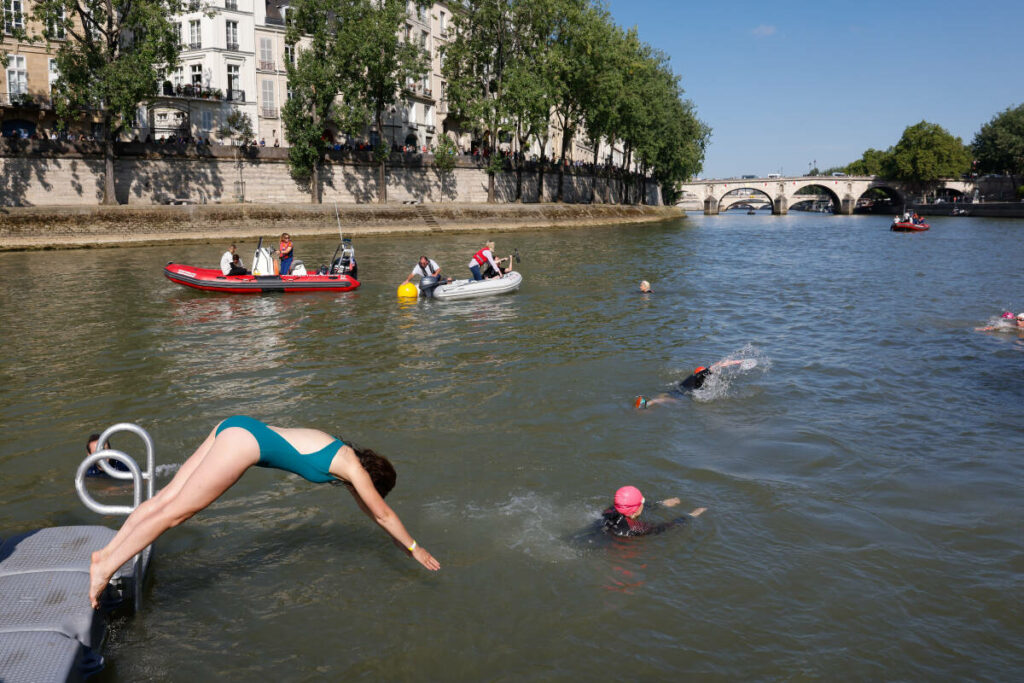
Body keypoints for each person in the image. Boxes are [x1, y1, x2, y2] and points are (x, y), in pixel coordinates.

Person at [88, 416, 440, 608]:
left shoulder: (344, 454)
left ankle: (105, 554)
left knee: (163, 501)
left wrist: (396, 541)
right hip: (244, 445)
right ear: (373, 480)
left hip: (236, 425)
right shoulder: (354, 472)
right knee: (174, 514)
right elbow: (381, 513)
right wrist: (414, 548)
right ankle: (106, 567)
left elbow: (369, 509)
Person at [635, 359, 747, 408]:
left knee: (663, 395)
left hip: (677, 388)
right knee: (672, 401)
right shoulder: (702, 376)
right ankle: (647, 404)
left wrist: (734, 362)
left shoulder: (693, 376)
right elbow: (717, 365)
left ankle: (645, 403)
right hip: (681, 393)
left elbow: (716, 364)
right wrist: (737, 362)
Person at [601, 486, 706, 538]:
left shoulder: (609, 511)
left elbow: (631, 506)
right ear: (635, 510)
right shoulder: (637, 527)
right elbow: (665, 527)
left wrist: (661, 504)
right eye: (642, 502)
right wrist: (690, 516)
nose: (644, 503)